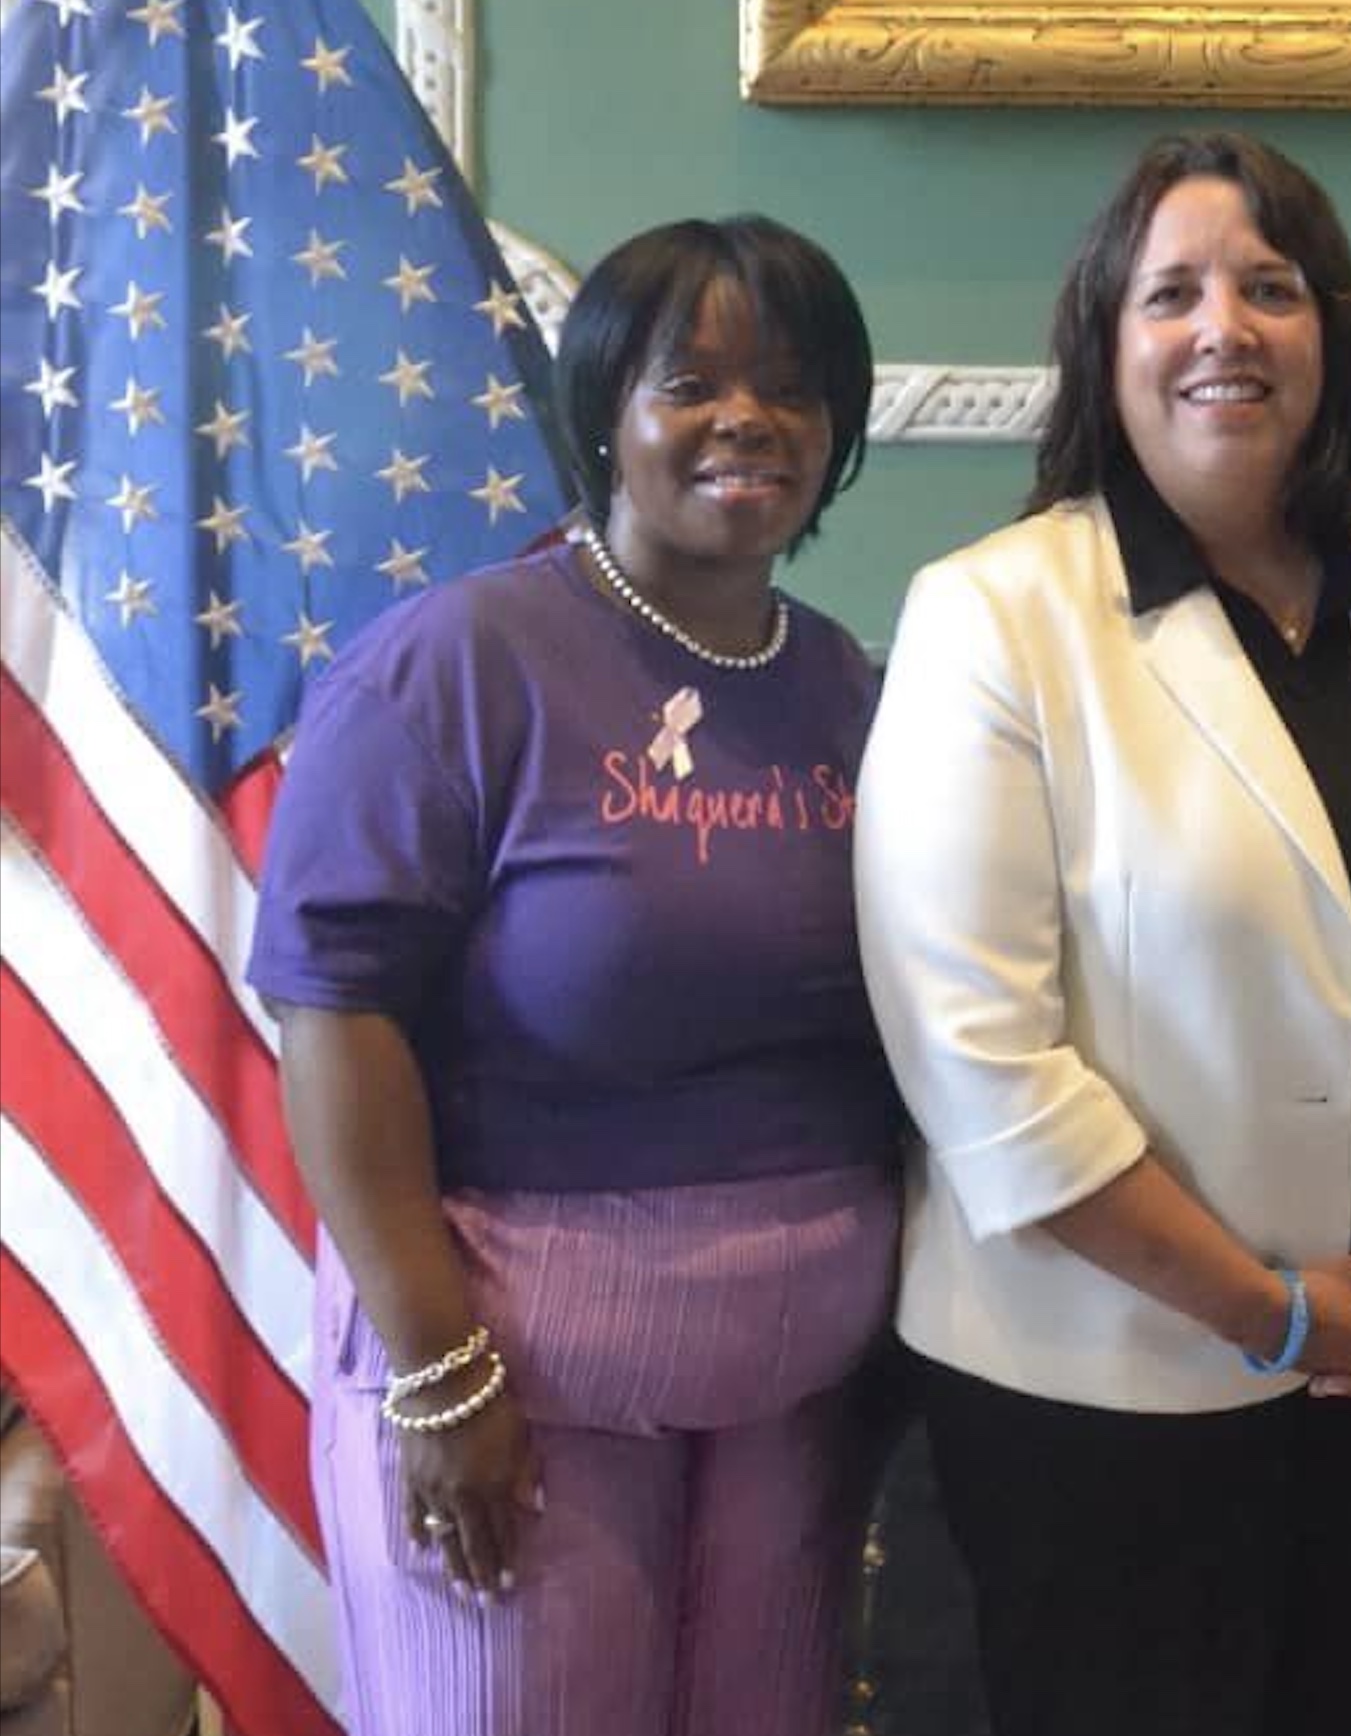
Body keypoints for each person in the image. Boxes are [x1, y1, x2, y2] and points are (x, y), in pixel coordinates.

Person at [854, 132, 1351, 1736]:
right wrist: (1266, 1310)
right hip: (1100, 1387)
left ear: (1336, 336)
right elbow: (981, 1066)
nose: (1223, 326)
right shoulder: (995, 615)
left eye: (1269, 287)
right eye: (1171, 293)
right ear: (1106, 345)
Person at [247, 216, 900, 1736]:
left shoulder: (857, 692)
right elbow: (334, 1014)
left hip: (796, 1408)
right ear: (604, 410)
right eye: (692, 381)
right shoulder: (456, 662)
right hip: (509, 1389)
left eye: (794, 390)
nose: (748, 420)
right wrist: (438, 1373)